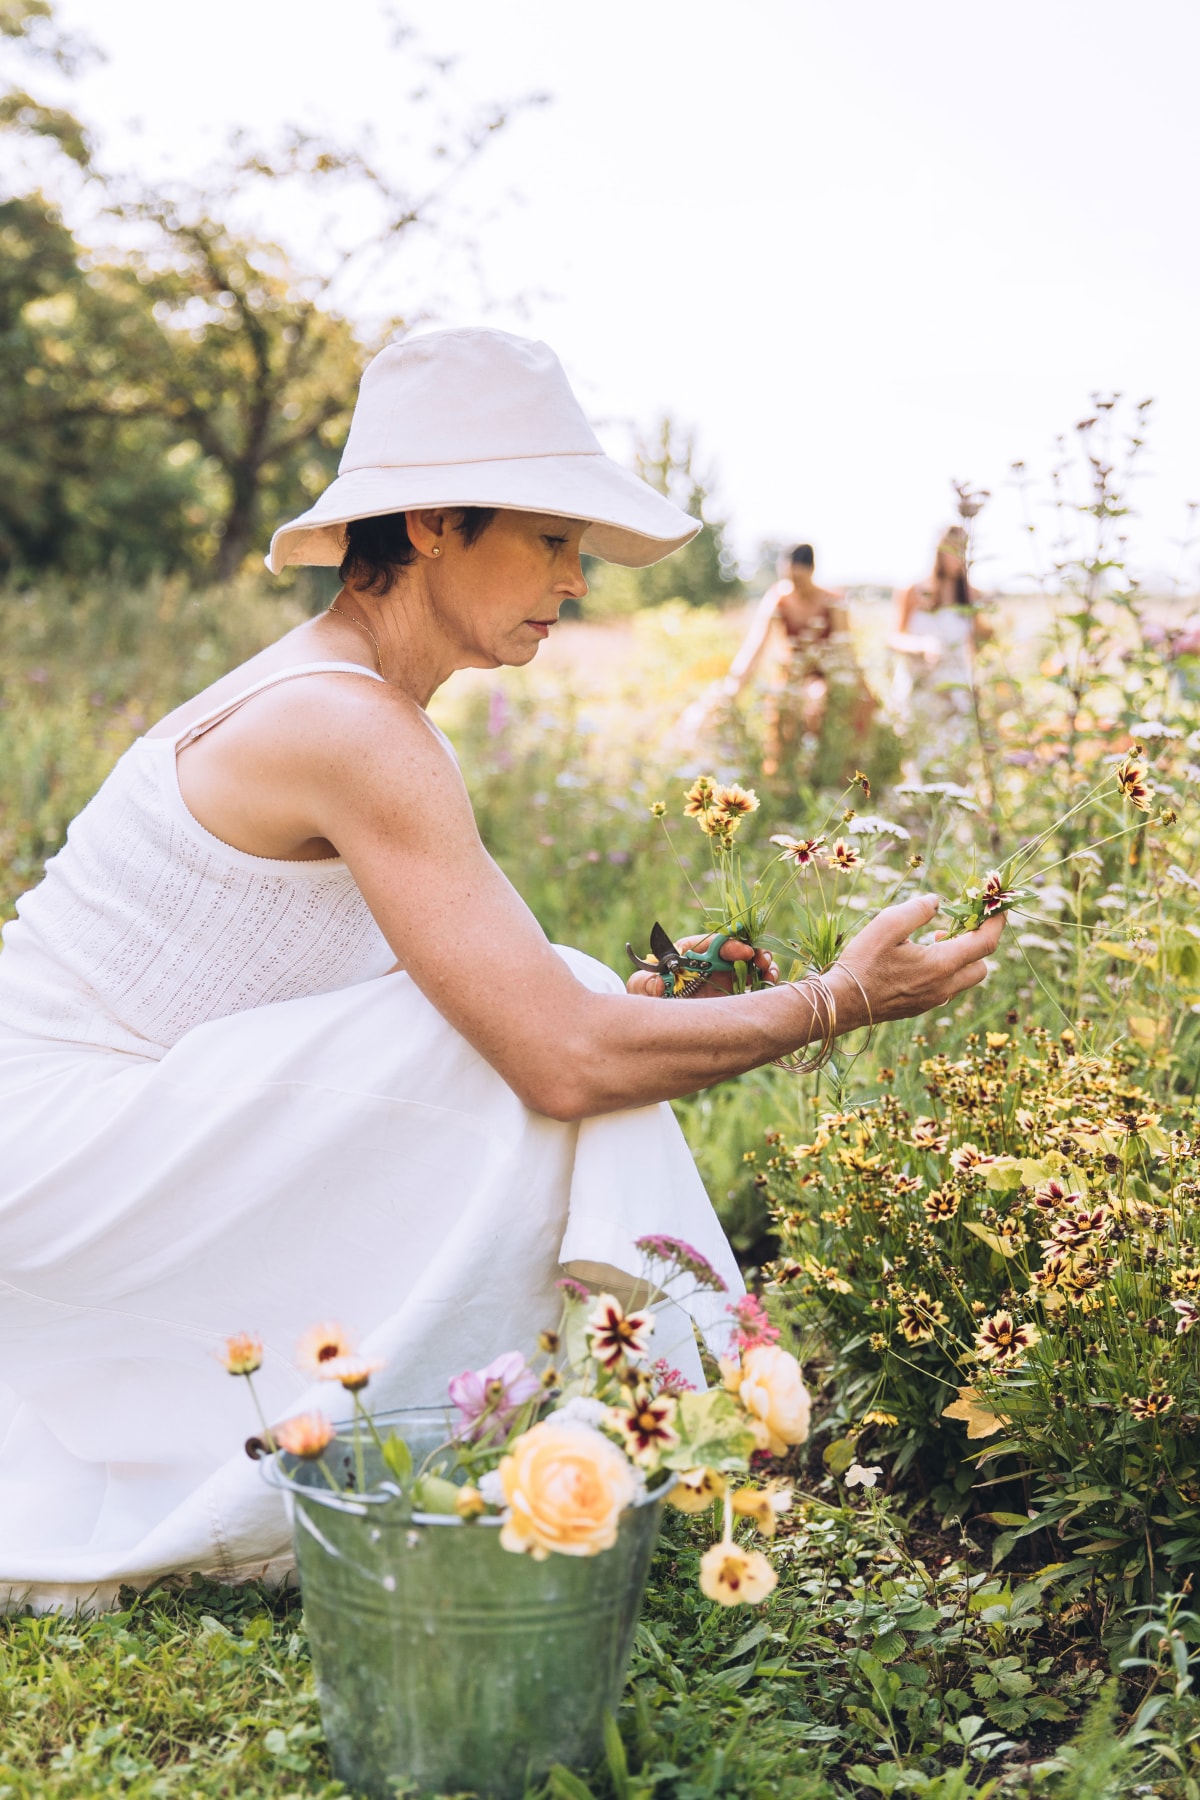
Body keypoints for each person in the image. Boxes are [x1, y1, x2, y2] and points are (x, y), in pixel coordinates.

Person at [0, 328, 1003, 1611]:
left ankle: (612, 1422)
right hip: (57, 1171)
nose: (578, 579)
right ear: (427, 524)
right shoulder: (349, 724)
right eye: (551, 539)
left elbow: (527, 1009)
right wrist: (837, 1003)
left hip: (103, 1149)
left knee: (567, 998)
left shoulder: (354, 704)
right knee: (556, 1037)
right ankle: (651, 1419)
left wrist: (649, 1009)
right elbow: (560, 1054)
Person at [717, 545, 876, 782]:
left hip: (827, 674)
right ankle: (783, 780)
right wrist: (733, 686)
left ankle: (829, 778)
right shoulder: (777, 598)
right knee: (782, 707)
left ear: (811, 571)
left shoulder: (832, 601)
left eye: (799, 578)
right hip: (793, 674)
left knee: (823, 703)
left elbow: (845, 651)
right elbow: (755, 646)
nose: (794, 585)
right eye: (789, 578)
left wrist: (859, 685)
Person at [889, 525, 987, 746]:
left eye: (964, 550)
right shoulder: (913, 591)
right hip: (920, 683)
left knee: (956, 749)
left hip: (957, 686)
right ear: (939, 552)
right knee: (919, 747)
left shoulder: (971, 596)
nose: (958, 556)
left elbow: (979, 642)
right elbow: (894, 638)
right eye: (952, 549)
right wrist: (921, 645)